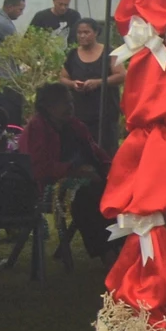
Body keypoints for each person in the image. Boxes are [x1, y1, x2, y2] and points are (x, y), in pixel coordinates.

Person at [22, 82, 111, 266]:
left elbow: (95, 151)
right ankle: (107, 252)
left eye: (71, 102)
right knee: (87, 196)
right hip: (50, 186)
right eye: (65, 103)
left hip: (86, 176)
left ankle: (125, 248)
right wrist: (75, 172)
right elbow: (38, 168)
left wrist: (112, 169)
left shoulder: (75, 125)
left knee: (116, 190)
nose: (71, 107)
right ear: (48, 106)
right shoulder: (37, 129)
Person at [63, 18, 119, 144]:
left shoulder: (109, 53)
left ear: (96, 33)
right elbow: (63, 77)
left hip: (105, 113)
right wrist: (73, 84)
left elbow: (121, 75)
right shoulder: (73, 54)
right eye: (79, 32)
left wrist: (98, 82)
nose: (82, 36)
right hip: (80, 113)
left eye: (86, 32)